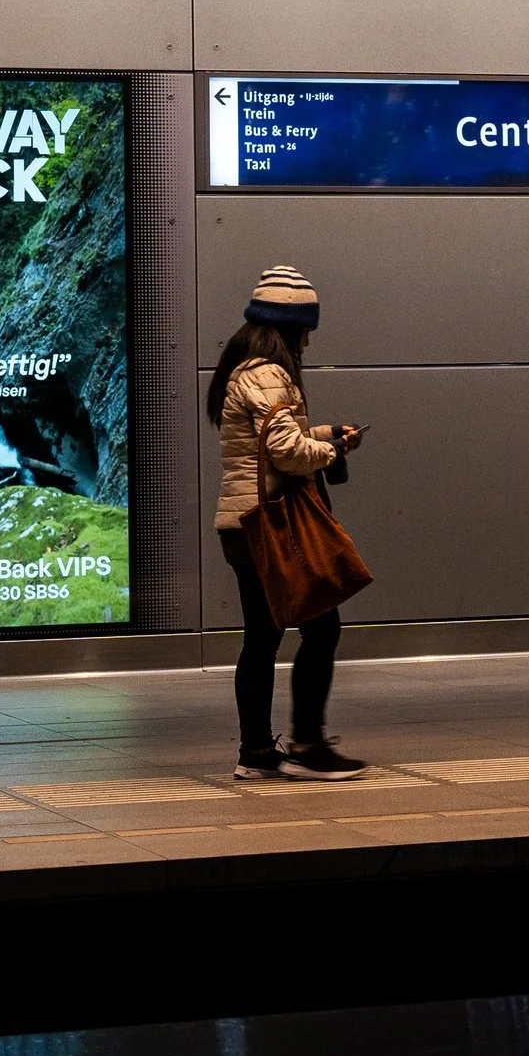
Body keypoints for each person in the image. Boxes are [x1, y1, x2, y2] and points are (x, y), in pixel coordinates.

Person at [208, 265, 370, 779]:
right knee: (321, 627)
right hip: (268, 527)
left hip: (244, 525)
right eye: (307, 330)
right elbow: (284, 450)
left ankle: (256, 751)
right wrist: (331, 448)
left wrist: (322, 430)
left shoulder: (247, 371)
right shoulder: (268, 373)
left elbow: (273, 437)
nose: (308, 341)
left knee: (264, 636)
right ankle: (306, 746)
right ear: (288, 326)